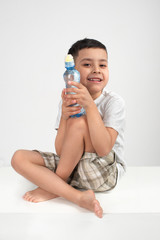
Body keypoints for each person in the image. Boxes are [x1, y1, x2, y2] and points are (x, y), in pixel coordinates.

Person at [11, 38, 126, 218]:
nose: (96, 69)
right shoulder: (68, 98)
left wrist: (89, 106)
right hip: (75, 168)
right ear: (73, 71)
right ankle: (78, 196)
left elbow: (104, 149)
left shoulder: (114, 102)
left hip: (103, 173)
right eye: (87, 64)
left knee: (79, 122)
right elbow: (60, 150)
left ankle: (55, 186)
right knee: (19, 158)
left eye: (102, 65)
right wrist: (65, 117)